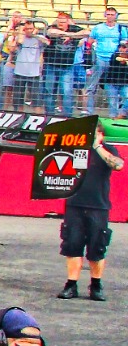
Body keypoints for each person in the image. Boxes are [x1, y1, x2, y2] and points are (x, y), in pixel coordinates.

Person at [58, 128, 123, 301]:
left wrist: (97, 146)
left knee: (97, 246)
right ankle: (71, 284)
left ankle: (96, 284)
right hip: (75, 203)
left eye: (93, 133)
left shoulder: (108, 149)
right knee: (72, 244)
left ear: (101, 134)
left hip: (98, 205)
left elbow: (118, 165)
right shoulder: (74, 149)